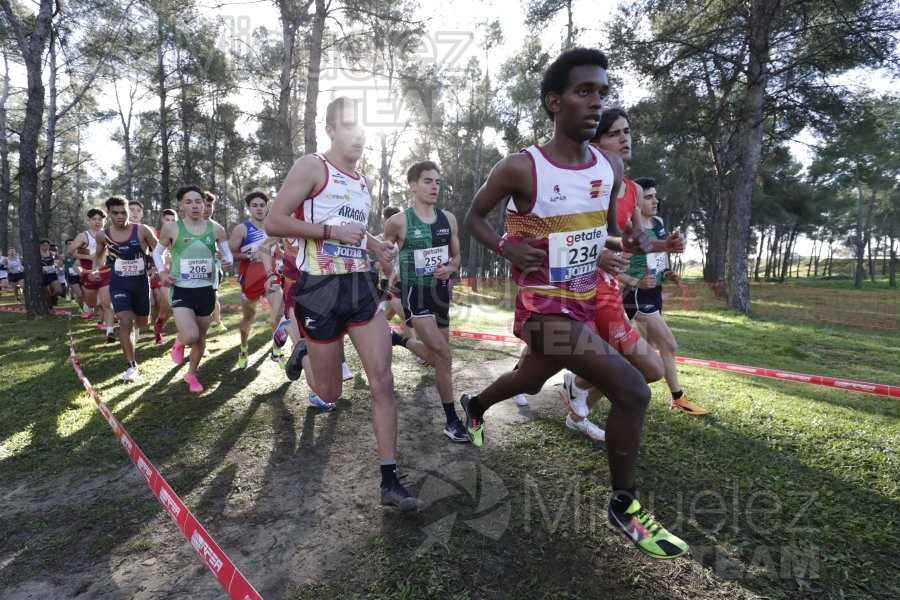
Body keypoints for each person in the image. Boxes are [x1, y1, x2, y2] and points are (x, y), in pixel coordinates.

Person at [460, 48, 689, 559]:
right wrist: (503, 245)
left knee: (529, 380)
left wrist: (627, 251)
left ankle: (473, 406)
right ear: (553, 101)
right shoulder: (522, 167)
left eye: (601, 93)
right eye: (584, 92)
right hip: (543, 310)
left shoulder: (609, 166)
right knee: (633, 390)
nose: (595, 103)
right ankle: (624, 506)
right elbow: (474, 216)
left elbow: (609, 238)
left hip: (586, 302)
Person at [265, 96, 423, 512]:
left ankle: (390, 480)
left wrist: (375, 246)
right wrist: (329, 230)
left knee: (383, 381)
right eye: (349, 128)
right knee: (331, 391)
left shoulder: (363, 181)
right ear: (331, 130)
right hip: (318, 289)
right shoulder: (312, 166)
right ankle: (302, 349)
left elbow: (357, 230)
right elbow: (275, 221)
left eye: (363, 130)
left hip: (359, 286)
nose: (358, 137)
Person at [382, 161, 467, 442]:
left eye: (438, 182)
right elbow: (383, 251)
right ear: (413, 185)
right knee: (444, 355)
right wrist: (391, 271)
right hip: (414, 295)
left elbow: (456, 257)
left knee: (436, 358)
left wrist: (452, 269)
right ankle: (452, 421)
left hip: (440, 294)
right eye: (428, 181)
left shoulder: (449, 219)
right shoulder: (398, 221)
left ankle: (399, 340)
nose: (435, 187)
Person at [623, 177, 709, 415]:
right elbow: (616, 262)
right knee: (669, 345)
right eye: (648, 197)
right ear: (637, 202)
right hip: (637, 293)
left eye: (656, 196)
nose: (655, 200)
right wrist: (636, 280)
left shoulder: (659, 222)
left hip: (655, 291)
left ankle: (587, 384)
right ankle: (678, 397)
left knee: (644, 352)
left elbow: (658, 257)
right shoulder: (630, 226)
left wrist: (667, 272)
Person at [154, 185, 233, 393]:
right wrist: (162, 272)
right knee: (190, 335)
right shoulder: (172, 229)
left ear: (203, 203)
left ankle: (191, 373)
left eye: (198, 201)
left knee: (201, 337)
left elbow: (228, 253)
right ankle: (179, 342)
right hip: (182, 289)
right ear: (181, 205)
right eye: (188, 202)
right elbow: (157, 253)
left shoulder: (216, 228)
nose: (194, 206)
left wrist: (227, 262)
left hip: (206, 290)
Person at [93, 196, 159, 382]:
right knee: (124, 321)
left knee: (142, 322)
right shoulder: (103, 235)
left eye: (124, 212)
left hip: (140, 283)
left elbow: (160, 250)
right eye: (116, 213)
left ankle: (134, 332)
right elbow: (98, 257)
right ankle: (131, 365)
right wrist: (97, 269)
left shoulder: (142, 230)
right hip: (118, 283)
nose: (121, 216)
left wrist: (155, 266)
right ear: (109, 214)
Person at [229, 190, 285, 367]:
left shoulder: (274, 228)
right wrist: (247, 256)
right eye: (255, 205)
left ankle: (276, 351)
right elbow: (228, 254)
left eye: (262, 205)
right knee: (248, 318)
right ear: (249, 209)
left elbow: (278, 252)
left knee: (279, 312)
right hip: (249, 280)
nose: (259, 209)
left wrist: (292, 260)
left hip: (271, 277)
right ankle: (244, 348)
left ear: (267, 207)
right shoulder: (242, 229)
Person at [68, 208, 116, 340]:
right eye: (94, 219)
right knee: (93, 303)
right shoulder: (84, 236)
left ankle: (110, 331)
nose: (97, 222)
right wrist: (89, 258)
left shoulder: (110, 234)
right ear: (89, 221)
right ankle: (87, 305)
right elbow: (69, 253)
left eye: (100, 219)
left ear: (105, 221)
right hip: (88, 274)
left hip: (106, 273)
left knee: (107, 303)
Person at [151, 209, 178, 344]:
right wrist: (157, 268)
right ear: (162, 220)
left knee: (167, 306)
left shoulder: (179, 234)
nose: (170, 223)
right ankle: (158, 331)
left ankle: (159, 326)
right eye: (167, 220)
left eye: (173, 220)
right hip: (162, 274)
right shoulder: (156, 235)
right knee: (166, 301)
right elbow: (152, 253)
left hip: (177, 272)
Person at [202, 191, 226, 332]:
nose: (206, 209)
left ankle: (217, 322)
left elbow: (226, 252)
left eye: (209, 205)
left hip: (212, 270)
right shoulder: (186, 226)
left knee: (212, 297)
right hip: (189, 272)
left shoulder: (217, 228)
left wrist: (221, 256)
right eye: (203, 205)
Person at [39, 239, 64, 308]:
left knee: (58, 290)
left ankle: (53, 297)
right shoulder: (37, 254)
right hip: (43, 276)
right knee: (47, 294)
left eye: (47, 245)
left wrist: (58, 266)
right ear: (40, 246)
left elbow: (59, 259)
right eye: (44, 245)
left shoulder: (52, 253)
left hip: (52, 274)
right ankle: (50, 309)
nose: (46, 247)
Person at [62, 239, 86, 309]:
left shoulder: (81, 254)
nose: (71, 245)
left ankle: (88, 308)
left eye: (72, 243)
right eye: (69, 243)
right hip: (71, 277)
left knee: (86, 294)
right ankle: (83, 310)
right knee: (79, 295)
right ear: (66, 245)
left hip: (82, 276)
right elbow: (59, 263)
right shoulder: (64, 255)